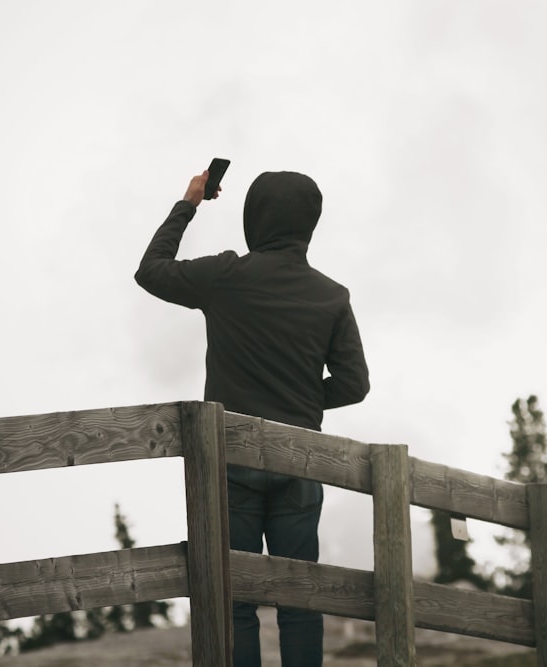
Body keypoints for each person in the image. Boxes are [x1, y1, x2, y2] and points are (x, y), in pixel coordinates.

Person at [135, 168, 370, 666]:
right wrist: (298, 404)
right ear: (310, 222)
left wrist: (190, 201)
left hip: (231, 460)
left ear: (254, 217)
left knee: (235, 598)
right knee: (300, 600)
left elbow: (151, 270)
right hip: (301, 461)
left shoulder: (227, 277)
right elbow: (354, 385)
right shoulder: (332, 296)